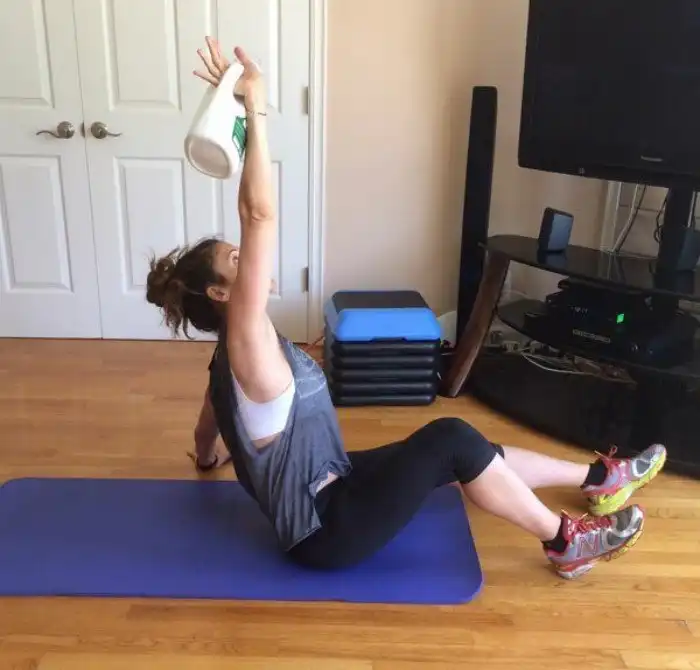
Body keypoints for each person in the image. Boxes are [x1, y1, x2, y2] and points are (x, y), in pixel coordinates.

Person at [146, 37, 667, 580]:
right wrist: (254, 107)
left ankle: (598, 479)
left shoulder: (228, 359)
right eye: (235, 259)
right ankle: (565, 542)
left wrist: (206, 457)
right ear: (220, 294)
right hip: (324, 528)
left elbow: (211, 418)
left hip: (335, 479)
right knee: (451, 438)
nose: (248, 256)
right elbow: (259, 215)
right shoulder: (246, 337)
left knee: (467, 447)